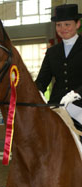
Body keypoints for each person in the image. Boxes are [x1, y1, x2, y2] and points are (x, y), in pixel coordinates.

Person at [35, 4, 82, 141]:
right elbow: (42, 80)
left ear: (77, 24)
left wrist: (77, 93)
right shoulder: (52, 52)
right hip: (57, 103)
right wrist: (35, 92)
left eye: (67, 24)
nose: (63, 29)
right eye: (59, 25)